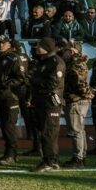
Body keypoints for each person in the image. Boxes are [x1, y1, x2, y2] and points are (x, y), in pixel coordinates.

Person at [0, 35, 29, 165]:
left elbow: (21, 78)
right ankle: (8, 153)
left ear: (8, 44)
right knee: (4, 126)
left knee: (9, 126)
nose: (0, 45)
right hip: (0, 96)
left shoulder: (13, 58)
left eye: (3, 43)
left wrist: (7, 85)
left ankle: (11, 154)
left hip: (10, 97)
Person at [27, 38, 65, 172]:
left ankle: (49, 161)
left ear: (47, 48)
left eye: (39, 46)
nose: (37, 48)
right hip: (41, 101)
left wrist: (35, 81)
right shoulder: (43, 61)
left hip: (50, 102)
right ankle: (52, 160)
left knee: (49, 132)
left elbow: (52, 83)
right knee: (46, 131)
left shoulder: (56, 62)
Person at [58, 40, 93, 169]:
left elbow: (80, 85)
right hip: (79, 100)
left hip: (76, 101)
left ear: (72, 51)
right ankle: (81, 157)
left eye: (66, 50)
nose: (63, 51)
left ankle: (78, 158)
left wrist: (84, 94)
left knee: (76, 131)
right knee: (80, 130)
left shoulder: (75, 64)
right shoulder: (77, 62)